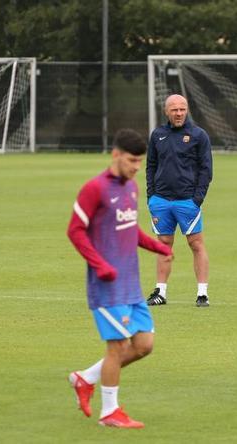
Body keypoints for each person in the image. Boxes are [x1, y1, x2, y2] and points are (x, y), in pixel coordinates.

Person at [67, 129, 173, 428]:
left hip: (131, 284)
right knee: (116, 348)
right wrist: (99, 264)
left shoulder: (131, 188)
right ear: (115, 155)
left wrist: (156, 245)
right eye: (131, 161)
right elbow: (75, 230)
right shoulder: (95, 188)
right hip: (106, 286)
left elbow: (129, 228)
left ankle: (84, 378)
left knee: (143, 345)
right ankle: (109, 412)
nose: (136, 167)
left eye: (140, 162)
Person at [145, 94, 213, 307]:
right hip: (161, 201)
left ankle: (202, 293)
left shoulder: (198, 135)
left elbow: (206, 170)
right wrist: (151, 196)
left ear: (187, 110)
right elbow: (151, 166)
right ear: (166, 111)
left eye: (182, 109)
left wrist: (197, 199)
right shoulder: (157, 135)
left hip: (187, 201)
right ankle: (161, 292)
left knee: (196, 244)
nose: (179, 113)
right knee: (163, 245)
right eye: (174, 109)